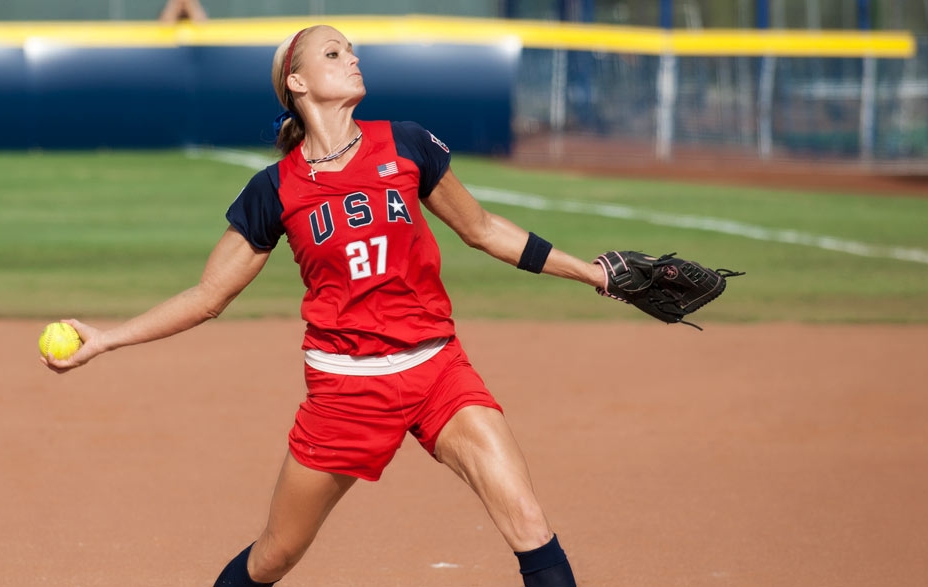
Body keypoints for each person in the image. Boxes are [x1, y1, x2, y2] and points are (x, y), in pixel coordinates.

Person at [42, 25, 609, 587]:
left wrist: (591, 273)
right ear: (298, 81)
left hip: (439, 370)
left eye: (353, 50)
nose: (352, 59)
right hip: (346, 391)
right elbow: (208, 296)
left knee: (528, 524)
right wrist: (108, 339)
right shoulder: (275, 190)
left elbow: (484, 230)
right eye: (333, 53)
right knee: (274, 556)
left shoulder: (406, 143)